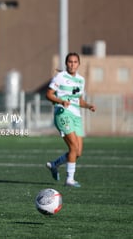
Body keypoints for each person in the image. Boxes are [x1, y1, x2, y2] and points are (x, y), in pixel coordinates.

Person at [45, 52, 96, 187]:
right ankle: (69, 180)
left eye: (75, 62)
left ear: (78, 64)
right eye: (70, 62)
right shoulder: (60, 77)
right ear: (66, 63)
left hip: (76, 117)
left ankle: (54, 165)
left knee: (78, 152)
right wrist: (60, 101)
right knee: (73, 147)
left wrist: (88, 105)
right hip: (62, 113)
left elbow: (79, 100)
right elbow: (48, 94)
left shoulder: (81, 80)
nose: (72, 64)